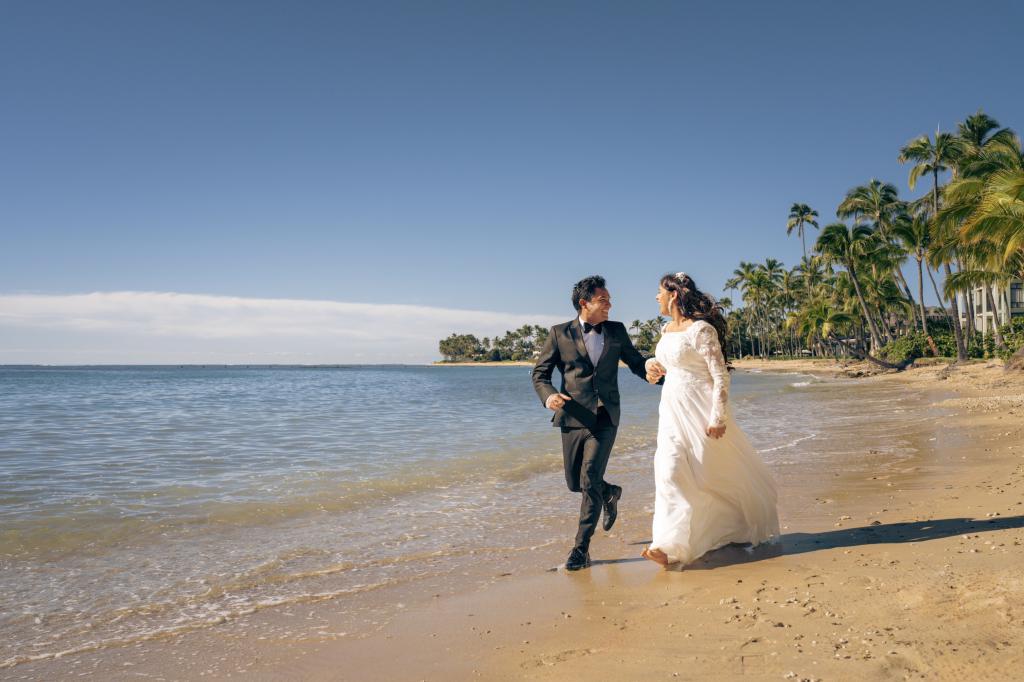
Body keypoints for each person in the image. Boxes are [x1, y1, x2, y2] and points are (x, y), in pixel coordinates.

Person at [641, 272, 779, 569]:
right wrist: (651, 365)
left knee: (711, 474)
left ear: (673, 295)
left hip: (701, 410)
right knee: (668, 469)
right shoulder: (666, 330)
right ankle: (668, 546)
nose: (656, 297)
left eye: (660, 292)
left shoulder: (701, 330)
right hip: (672, 411)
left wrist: (718, 417)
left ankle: (731, 528)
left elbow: (720, 376)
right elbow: (666, 364)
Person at [531, 275, 660, 571]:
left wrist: (657, 374)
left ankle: (581, 549)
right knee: (575, 482)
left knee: (589, 477)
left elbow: (635, 362)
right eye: (603, 300)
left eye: (609, 300)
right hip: (573, 416)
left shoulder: (616, 331)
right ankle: (610, 492)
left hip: (606, 416)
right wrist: (549, 396)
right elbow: (540, 373)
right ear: (584, 303)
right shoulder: (559, 333)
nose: (609, 305)